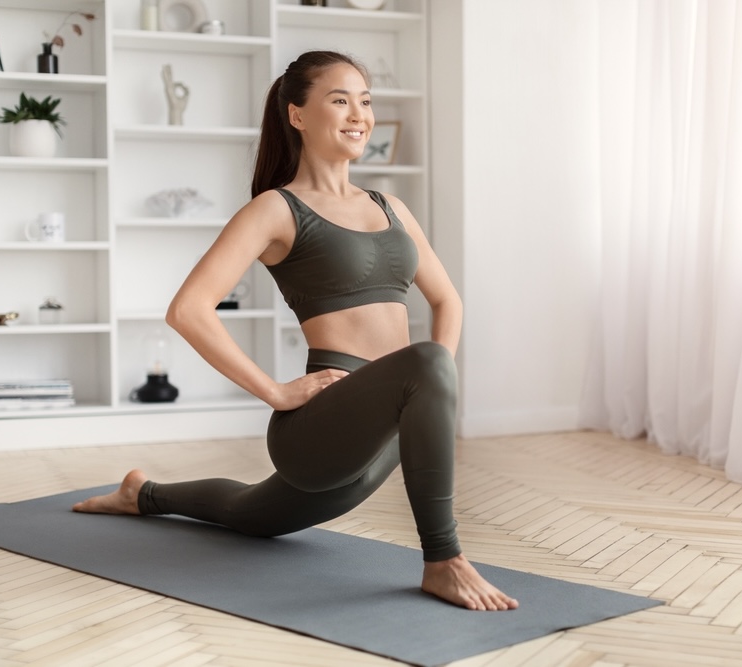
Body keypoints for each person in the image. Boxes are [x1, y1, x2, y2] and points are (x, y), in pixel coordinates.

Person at [73, 50, 518, 612]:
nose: (358, 113)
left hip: (389, 426)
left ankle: (143, 494)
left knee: (251, 515)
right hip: (319, 428)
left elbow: (447, 298)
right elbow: (188, 309)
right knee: (429, 359)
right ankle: (443, 560)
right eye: (339, 100)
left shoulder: (392, 207)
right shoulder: (276, 209)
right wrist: (276, 392)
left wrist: (437, 385)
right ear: (298, 115)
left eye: (365, 100)